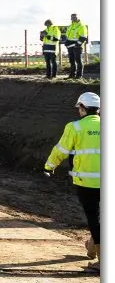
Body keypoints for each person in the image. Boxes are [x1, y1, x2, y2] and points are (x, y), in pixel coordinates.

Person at [44, 92, 100, 272]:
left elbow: (61, 149)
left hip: (86, 181)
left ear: (83, 108)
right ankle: (93, 246)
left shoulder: (75, 127)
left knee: (94, 217)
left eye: (79, 108)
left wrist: (49, 166)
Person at [64, 13, 88, 79]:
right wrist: (66, 42)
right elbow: (67, 36)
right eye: (72, 17)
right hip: (70, 47)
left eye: (75, 17)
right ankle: (72, 75)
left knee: (78, 61)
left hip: (77, 46)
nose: (73, 18)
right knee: (71, 61)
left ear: (78, 18)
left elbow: (83, 37)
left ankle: (79, 76)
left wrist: (77, 45)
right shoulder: (70, 26)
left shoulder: (81, 26)